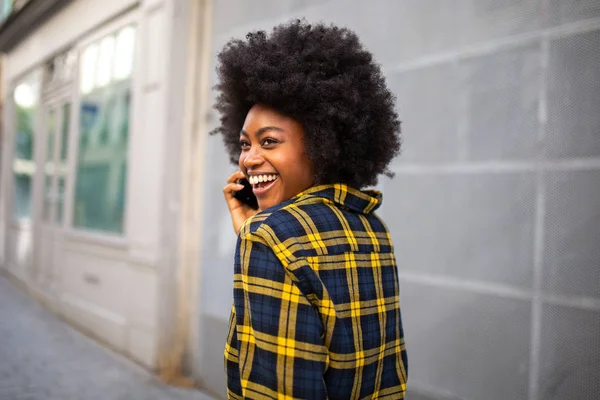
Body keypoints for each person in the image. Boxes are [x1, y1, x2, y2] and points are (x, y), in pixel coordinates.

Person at [214, 19, 407, 399]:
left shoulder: (270, 237)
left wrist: (259, 234)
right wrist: (253, 230)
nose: (249, 160)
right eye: (245, 144)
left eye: (269, 142)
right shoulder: (372, 229)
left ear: (322, 142)